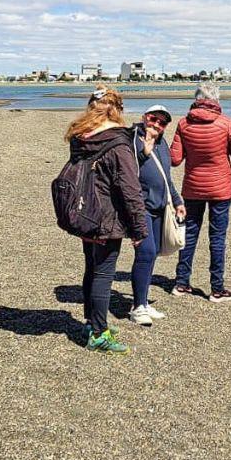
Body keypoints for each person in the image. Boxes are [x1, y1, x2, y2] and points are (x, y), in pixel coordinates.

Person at [64, 87, 148, 354]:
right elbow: (130, 188)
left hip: (84, 211)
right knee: (103, 273)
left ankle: (92, 322)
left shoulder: (81, 137)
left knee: (91, 267)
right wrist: (139, 228)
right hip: (106, 216)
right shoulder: (118, 142)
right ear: (117, 110)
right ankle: (99, 333)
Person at [170, 83, 231, 302]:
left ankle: (181, 283)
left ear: (196, 99)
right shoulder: (226, 123)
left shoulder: (184, 124)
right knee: (217, 238)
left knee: (189, 234)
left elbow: (175, 159)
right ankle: (217, 288)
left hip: (193, 188)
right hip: (220, 189)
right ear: (216, 99)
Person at [127, 105, 186, 326]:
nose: (157, 124)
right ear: (145, 117)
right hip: (139, 207)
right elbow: (128, 171)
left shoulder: (162, 143)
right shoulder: (132, 138)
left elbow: (165, 177)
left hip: (160, 207)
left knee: (152, 255)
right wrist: (144, 152)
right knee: (146, 252)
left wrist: (177, 201)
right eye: (153, 119)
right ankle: (137, 307)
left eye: (162, 122)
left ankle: (142, 302)